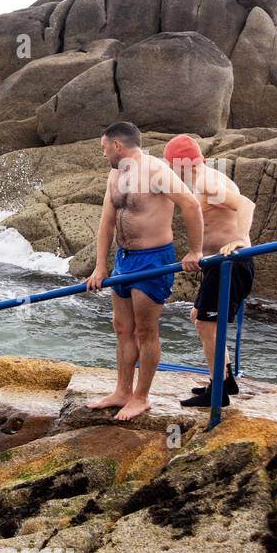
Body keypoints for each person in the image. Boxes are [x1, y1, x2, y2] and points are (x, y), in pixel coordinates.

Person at [85, 121, 204, 421]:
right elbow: (106, 222)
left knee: (145, 330)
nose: (103, 154)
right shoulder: (115, 174)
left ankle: (141, 397)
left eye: (103, 148)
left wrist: (196, 251)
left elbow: (190, 204)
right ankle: (122, 391)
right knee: (123, 328)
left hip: (153, 259)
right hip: (124, 260)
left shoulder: (155, 170)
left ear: (117, 145)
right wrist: (100, 266)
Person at [163, 135, 256, 408]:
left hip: (233, 264)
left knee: (206, 324)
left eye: (170, 165)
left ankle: (218, 393)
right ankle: (225, 380)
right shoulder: (204, 178)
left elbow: (245, 204)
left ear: (178, 163)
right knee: (199, 317)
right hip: (218, 264)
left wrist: (239, 238)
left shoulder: (206, 181)